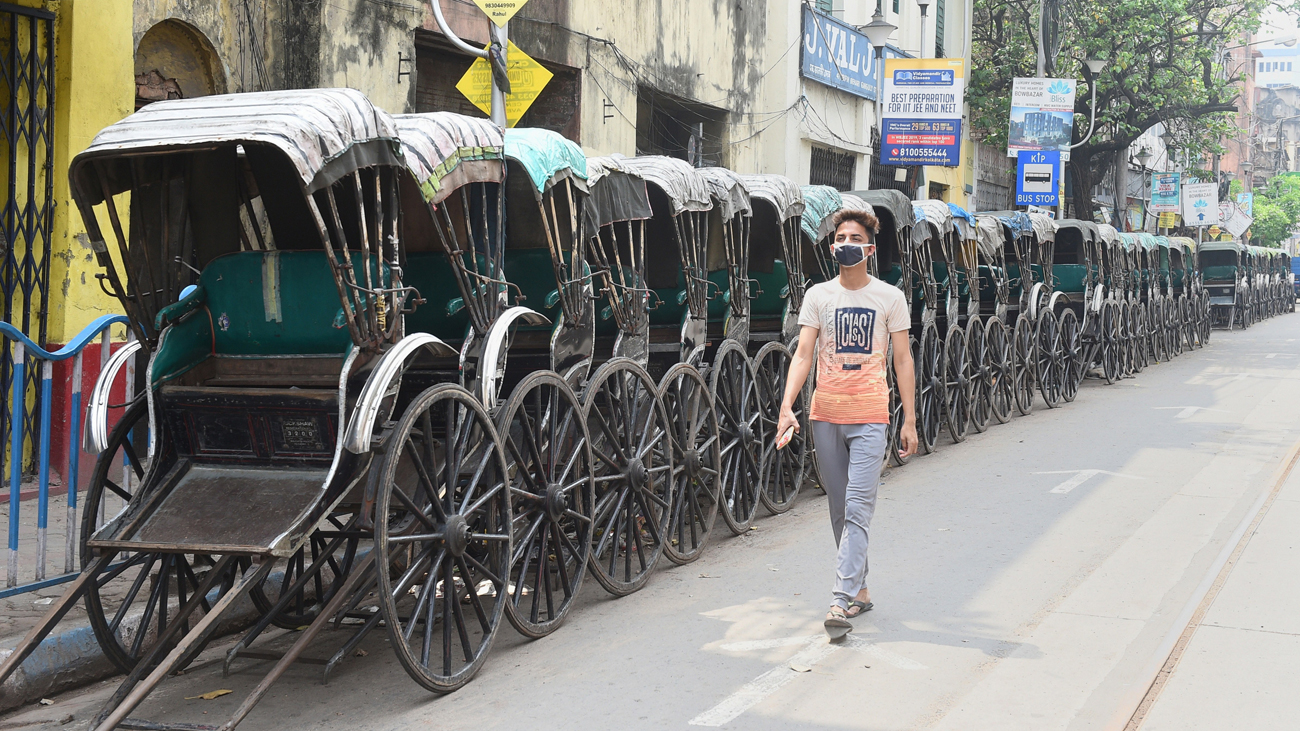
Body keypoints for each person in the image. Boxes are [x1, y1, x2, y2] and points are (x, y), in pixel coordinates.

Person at [776, 208, 917, 641]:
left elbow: (902, 360)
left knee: (857, 506)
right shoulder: (818, 295)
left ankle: (840, 599)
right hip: (825, 415)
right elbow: (803, 354)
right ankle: (861, 588)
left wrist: (910, 419)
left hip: (871, 415)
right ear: (832, 246)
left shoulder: (890, 297)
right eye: (840, 238)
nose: (846, 244)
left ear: (870, 249)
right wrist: (786, 407)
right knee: (839, 509)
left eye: (855, 238)